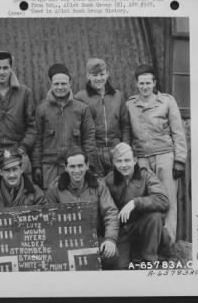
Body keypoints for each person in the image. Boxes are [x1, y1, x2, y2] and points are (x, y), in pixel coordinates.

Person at [127, 65, 187, 243]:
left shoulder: (167, 101)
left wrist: (180, 160)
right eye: (141, 83)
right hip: (142, 160)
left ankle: (168, 242)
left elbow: (178, 132)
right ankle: (150, 242)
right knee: (146, 199)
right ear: (136, 85)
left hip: (165, 157)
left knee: (168, 199)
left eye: (148, 82)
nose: (145, 86)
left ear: (154, 83)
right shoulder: (130, 104)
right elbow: (128, 132)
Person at [45, 146, 119, 269]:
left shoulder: (98, 185)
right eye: (72, 167)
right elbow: (48, 220)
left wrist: (110, 239)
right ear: (66, 168)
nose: (77, 170)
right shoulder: (55, 188)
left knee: (112, 256)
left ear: (87, 166)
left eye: (80, 166)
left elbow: (110, 212)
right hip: (65, 241)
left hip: (93, 238)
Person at [105, 142, 169, 269]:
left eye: (127, 160)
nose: (123, 165)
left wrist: (136, 202)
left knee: (155, 216)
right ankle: (134, 255)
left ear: (134, 160)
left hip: (144, 229)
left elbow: (163, 200)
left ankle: (149, 261)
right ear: (113, 163)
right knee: (119, 266)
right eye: (119, 161)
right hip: (122, 232)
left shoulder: (146, 176)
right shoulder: (108, 180)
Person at [0, 51, 36, 188]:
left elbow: (32, 126)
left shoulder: (24, 92)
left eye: (5, 68)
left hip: (18, 150)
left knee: (24, 192)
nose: (2, 72)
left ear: (11, 68)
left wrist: (23, 148)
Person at [33, 63, 96, 190]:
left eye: (63, 84)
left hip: (75, 167)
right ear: (51, 84)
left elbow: (89, 140)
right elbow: (37, 140)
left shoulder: (82, 109)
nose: (60, 87)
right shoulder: (42, 109)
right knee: (51, 203)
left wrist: (89, 165)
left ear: (70, 83)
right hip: (50, 167)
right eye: (56, 84)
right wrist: (36, 166)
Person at [75, 58, 130, 177]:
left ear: (107, 74)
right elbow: (78, 129)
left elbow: (125, 125)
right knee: (97, 186)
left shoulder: (118, 96)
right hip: (94, 151)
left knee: (118, 184)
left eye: (102, 74)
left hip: (116, 149)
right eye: (94, 75)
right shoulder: (80, 97)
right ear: (88, 75)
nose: (99, 78)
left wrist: (125, 148)